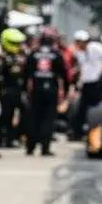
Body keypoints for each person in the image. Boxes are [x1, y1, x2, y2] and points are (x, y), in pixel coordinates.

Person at [24, 29, 66, 157]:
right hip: (51, 90)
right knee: (48, 120)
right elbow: (62, 75)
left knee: (33, 118)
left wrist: (26, 91)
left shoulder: (33, 53)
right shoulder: (56, 54)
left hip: (36, 90)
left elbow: (27, 74)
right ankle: (45, 148)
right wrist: (62, 90)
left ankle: (30, 147)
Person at [70, 30, 102, 141]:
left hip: (96, 82)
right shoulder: (78, 52)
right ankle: (78, 133)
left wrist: (101, 71)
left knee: (95, 108)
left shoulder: (95, 48)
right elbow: (81, 66)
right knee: (82, 109)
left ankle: (95, 133)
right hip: (86, 83)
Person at [0, 27, 26, 148]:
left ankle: (13, 137)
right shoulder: (1, 57)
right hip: (5, 90)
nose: (18, 46)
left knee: (20, 113)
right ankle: (2, 139)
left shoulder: (19, 56)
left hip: (16, 90)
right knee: (5, 115)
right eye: (15, 43)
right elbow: (8, 73)